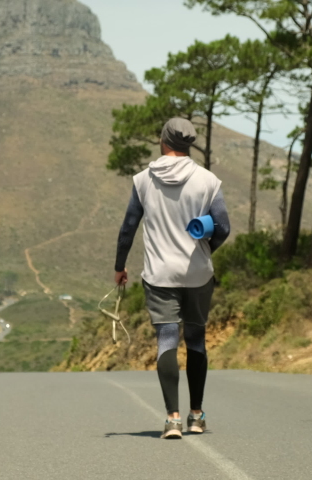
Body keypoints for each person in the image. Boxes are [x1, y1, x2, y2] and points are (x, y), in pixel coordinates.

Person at [113, 117, 231, 439]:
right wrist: (206, 251)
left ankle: (172, 419)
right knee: (195, 340)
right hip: (198, 273)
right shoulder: (208, 181)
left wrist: (119, 266)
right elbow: (223, 227)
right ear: (188, 144)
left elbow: (128, 228)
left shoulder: (143, 180)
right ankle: (196, 416)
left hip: (160, 275)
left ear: (164, 141)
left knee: (167, 340)